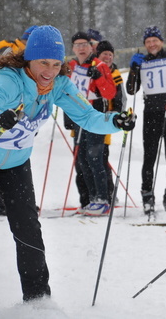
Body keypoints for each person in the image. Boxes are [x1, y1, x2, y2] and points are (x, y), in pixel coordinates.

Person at [0, 25, 136, 302]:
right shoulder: (8, 78)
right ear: (29, 59)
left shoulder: (58, 84)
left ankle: (38, 301)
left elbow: (86, 116)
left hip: (15, 163)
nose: (49, 70)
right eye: (43, 63)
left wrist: (115, 121)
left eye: (56, 63)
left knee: (28, 229)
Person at [126, 26, 166, 216]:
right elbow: (131, 90)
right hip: (151, 113)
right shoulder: (143, 61)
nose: (152, 44)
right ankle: (147, 196)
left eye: (155, 40)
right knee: (149, 156)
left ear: (161, 41)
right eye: (148, 42)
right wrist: (133, 69)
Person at [0, 24, 38, 216]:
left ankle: (9, 203)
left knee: (14, 155)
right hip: (3, 109)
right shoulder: (9, 49)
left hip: (23, 112)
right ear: (26, 39)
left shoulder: (32, 57)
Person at [65, 31, 117, 216]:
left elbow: (110, 93)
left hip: (95, 117)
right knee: (82, 160)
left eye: (84, 45)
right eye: (77, 45)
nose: (81, 48)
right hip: (78, 118)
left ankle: (103, 199)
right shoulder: (70, 65)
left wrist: (98, 77)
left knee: (95, 158)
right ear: (73, 48)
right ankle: (92, 198)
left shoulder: (99, 65)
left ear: (90, 47)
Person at [97, 40, 126, 203]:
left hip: (106, 120)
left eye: (110, 54)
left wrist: (115, 116)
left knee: (101, 158)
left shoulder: (114, 73)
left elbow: (120, 98)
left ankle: (108, 194)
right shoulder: (93, 69)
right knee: (87, 160)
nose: (107, 57)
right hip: (90, 118)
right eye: (104, 54)